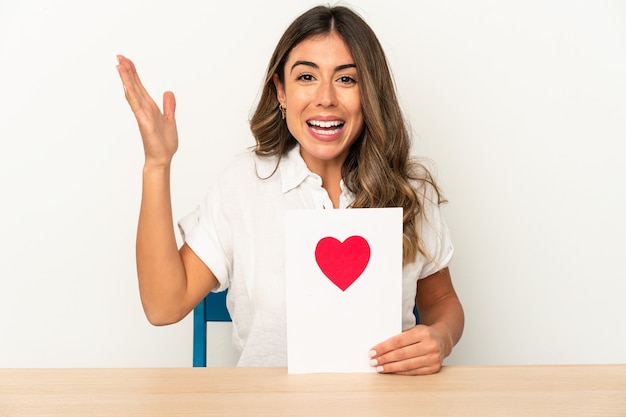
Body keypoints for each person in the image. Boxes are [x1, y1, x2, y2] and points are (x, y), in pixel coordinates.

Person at [116, 4, 464, 375]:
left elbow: (442, 300)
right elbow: (162, 306)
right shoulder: (243, 183)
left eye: (347, 79)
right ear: (281, 91)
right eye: (306, 78)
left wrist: (440, 337)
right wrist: (157, 164)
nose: (326, 97)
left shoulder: (408, 190)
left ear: (370, 93)